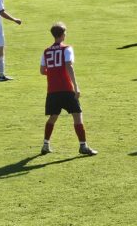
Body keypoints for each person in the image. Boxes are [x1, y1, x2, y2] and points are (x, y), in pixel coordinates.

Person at [40, 22, 97, 156]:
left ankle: (45, 145)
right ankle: (83, 146)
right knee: (77, 116)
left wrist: (54, 73)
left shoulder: (46, 51)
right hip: (66, 89)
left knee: (53, 117)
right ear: (62, 35)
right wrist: (76, 87)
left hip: (52, 90)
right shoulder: (67, 49)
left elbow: (42, 71)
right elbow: (69, 66)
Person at [0, 0, 22, 82]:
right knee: (0, 51)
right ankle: (1, 75)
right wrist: (15, 19)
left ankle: (2, 75)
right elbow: (1, 12)